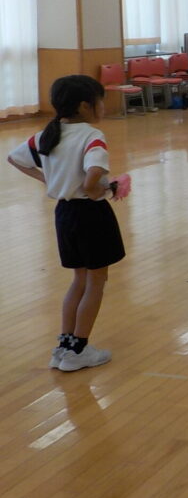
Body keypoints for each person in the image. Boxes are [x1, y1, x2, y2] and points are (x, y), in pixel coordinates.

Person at [7, 75, 131, 372]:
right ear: (86, 106)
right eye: (100, 101)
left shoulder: (46, 135)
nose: (103, 107)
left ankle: (64, 348)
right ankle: (79, 350)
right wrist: (102, 189)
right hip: (91, 215)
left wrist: (49, 180)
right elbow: (92, 177)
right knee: (96, 282)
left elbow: (15, 158)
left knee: (79, 280)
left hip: (64, 214)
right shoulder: (92, 136)